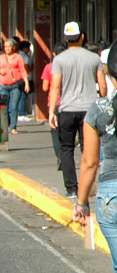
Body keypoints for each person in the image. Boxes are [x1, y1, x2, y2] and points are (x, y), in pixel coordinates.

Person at [73, 41, 117, 273]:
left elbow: (89, 162)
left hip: (111, 194)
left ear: (109, 74)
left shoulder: (99, 110)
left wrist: (81, 204)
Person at [49, 21, 107, 198]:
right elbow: (102, 85)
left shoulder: (59, 59)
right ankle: (88, 186)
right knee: (88, 148)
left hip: (66, 109)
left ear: (66, 39)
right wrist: (103, 104)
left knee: (66, 149)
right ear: (82, 37)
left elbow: (55, 87)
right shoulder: (94, 58)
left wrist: (52, 111)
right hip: (89, 109)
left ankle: (72, 189)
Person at [41, 43, 66, 171]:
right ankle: (68, 156)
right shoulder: (69, 66)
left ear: (54, 54)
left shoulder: (49, 67)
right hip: (68, 102)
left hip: (54, 103)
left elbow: (45, 88)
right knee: (67, 131)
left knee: (55, 131)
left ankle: (60, 157)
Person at [0, 38, 29, 135]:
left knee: (14, 106)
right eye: (5, 47)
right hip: (3, 85)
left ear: (13, 47)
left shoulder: (18, 57)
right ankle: (6, 124)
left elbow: (23, 70)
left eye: (9, 47)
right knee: (4, 107)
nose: (7, 48)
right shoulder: (1, 57)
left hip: (15, 86)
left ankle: (13, 127)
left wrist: (26, 83)